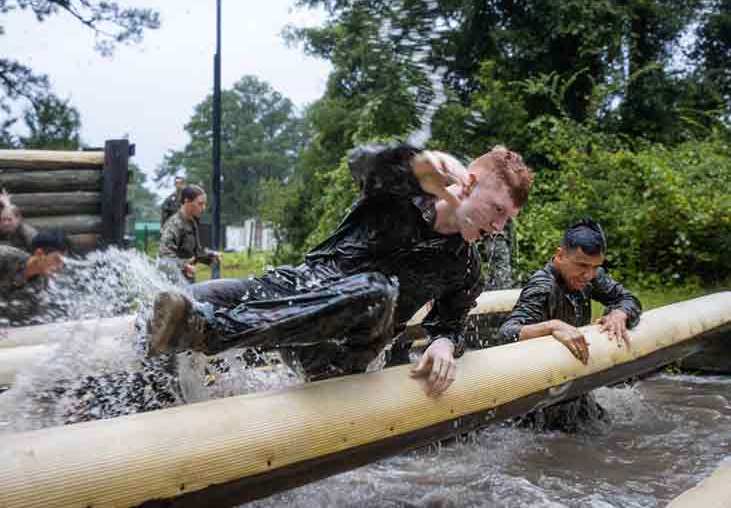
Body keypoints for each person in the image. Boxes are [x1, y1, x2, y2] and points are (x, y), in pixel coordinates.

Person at [147, 142, 534, 396]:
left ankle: (211, 333)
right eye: (497, 211)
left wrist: (445, 342)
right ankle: (150, 403)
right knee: (185, 301)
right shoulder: (398, 192)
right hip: (297, 292)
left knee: (376, 291)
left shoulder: (465, 267)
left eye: (507, 219)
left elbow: (451, 323)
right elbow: (360, 161)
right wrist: (418, 165)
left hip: (339, 352)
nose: (498, 228)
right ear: (468, 184)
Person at [494, 219, 642, 430]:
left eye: (595, 267)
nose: (588, 275)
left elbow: (629, 299)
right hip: (536, 407)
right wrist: (552, 326)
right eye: (582, 266)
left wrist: (620, 313)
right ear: (560, 255)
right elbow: (506, 334)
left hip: (574, 391)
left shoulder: (591, 276)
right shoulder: (542, 286)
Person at [158, 184, 220, 283]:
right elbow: (164, 257)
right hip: (171, 284)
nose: (203, 208)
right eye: (200, 204)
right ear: (187, 202)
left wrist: (210, 256)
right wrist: (183, 265)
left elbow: (194, 252)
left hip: (187, 281)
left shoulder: (191, 222)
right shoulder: (174, 225)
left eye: (205, 204)